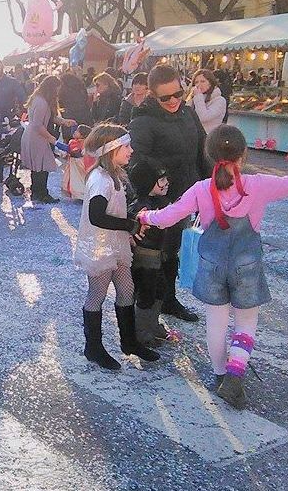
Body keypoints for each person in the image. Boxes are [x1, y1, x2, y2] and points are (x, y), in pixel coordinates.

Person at [139, 125, 288, 408]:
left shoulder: (202, 188)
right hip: (247, 264)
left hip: (212, 264)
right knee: (245, 323)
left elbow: (169, 216)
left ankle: (218, 375)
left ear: (210, 155)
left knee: (216, 323)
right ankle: (235, 375)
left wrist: (146, 216)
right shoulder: (259, 184)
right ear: (244, 154)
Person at [73, 123, 160, 370]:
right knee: (97, 295)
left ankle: (129, 341)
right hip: (100, 248)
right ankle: (93, 348)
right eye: (126, 146)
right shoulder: (100, 179)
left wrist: (128, 228)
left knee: (126, 289)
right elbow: (96, 216)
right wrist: (130, 225)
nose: (131, 150)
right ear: (111, 150)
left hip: (116, 244)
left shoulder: (115, 175)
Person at [128, 64, 209, 322]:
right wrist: (156, 181)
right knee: (158, 253)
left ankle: (169, 300)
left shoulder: (188, 114)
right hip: (162, 199)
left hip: (189, 193)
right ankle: (154, 307)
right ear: (153, 95)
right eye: (165, 97)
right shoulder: (143, 121)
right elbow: (136, 160)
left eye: (178, 94)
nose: (173, 101)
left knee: (174, 250)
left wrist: (213, 181)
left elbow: (202, 149)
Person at [127, 159, 173, 346]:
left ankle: (152, 324)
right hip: (143, 258)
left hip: (156, 256)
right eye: (161, 180)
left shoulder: (159, 201)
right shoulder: (141, 206)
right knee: (146, 293)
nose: (166, 183)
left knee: (160, 289)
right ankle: (141, 330)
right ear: (147, 183)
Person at [20, 75, 76, 204]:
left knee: (37, 166)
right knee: (42, 167)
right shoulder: (41, 102)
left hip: (34, 137)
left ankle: (36, 192)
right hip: (37, 138)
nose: (58, 92)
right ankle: (42, 193)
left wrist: (64, 122)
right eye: (57, 89)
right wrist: (51, 139)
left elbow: (50, 117)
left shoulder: (39, 99)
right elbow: (38, 125)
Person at [187, 68, 228, 134]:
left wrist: (198, 96)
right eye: (196, 82)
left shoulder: (219, 100)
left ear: (210, 83)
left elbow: (203, 117)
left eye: (203, 81)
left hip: (209, 138)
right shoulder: (195, 99)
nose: (199, 84)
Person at [61, 123, 91, 200]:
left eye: (77, 131)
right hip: (73, 164)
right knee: (73, 180)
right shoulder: (72, 141)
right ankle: (76, 194)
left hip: (80, 165)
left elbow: (72, 150)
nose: (75, 132)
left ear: (83, 135)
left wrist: (56, 143)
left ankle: (82, 195)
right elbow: (69, 149)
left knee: (80, 180)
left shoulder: (85, 143)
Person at [58, 72, 92, 139]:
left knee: (70, 140)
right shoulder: (81, 87)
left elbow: (61, 103)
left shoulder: (64, 90)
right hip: (84, 115)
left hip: (69, 115)